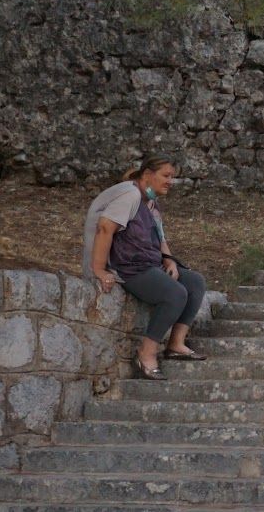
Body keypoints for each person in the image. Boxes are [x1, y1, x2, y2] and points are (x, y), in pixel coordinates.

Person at [81, 156, 208, 380]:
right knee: (175, 293)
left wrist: (168, 259)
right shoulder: (129, 196)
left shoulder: (149, 200)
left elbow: (159, 235)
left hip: (149, 264)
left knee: (194, 282)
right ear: (148, 175)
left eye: (173, 177)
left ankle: (176, 344)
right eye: (166, 176)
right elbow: (104, 229)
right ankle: (146, 353)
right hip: (127, 268)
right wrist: (99, 270)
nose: (171, 182)